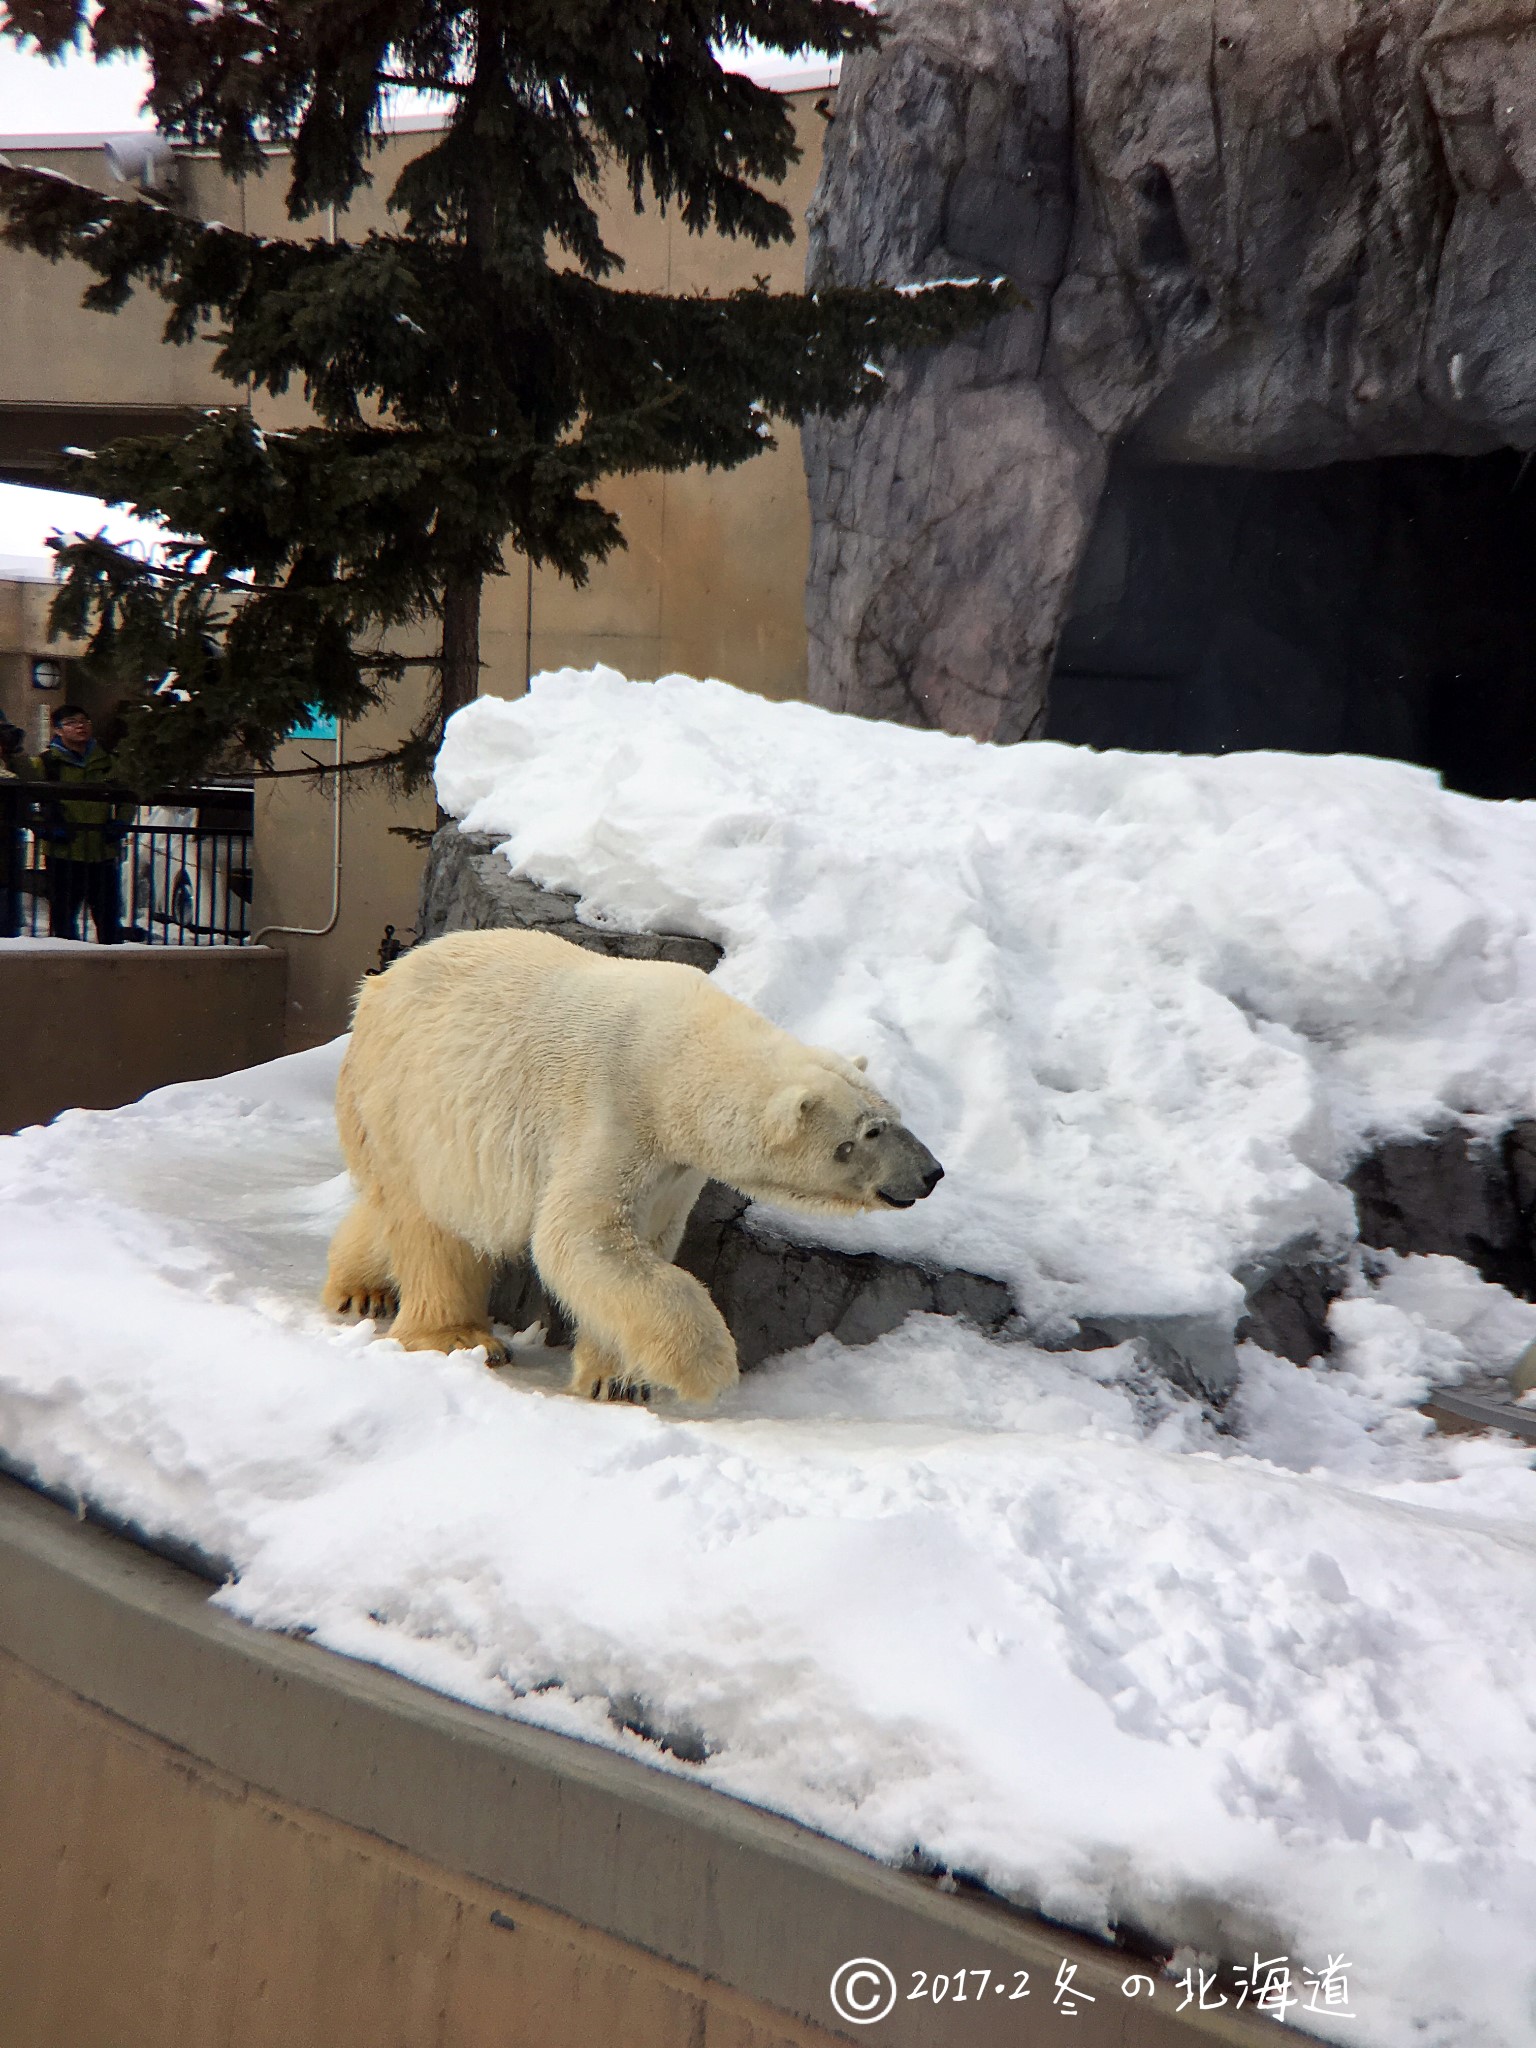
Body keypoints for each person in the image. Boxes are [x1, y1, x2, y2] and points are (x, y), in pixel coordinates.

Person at [31, 704, 133, 944]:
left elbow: (128, 796)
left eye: (84, 721)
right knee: (64, 919)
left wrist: (120, 823)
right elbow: (26, 803)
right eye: (71, 722)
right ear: (57, 730)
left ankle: (111, 967)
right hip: (63, 852)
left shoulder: (108, 760)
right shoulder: (45, 764)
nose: (80, 726)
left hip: (101, 851)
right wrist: (45, 828)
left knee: (108, 917)